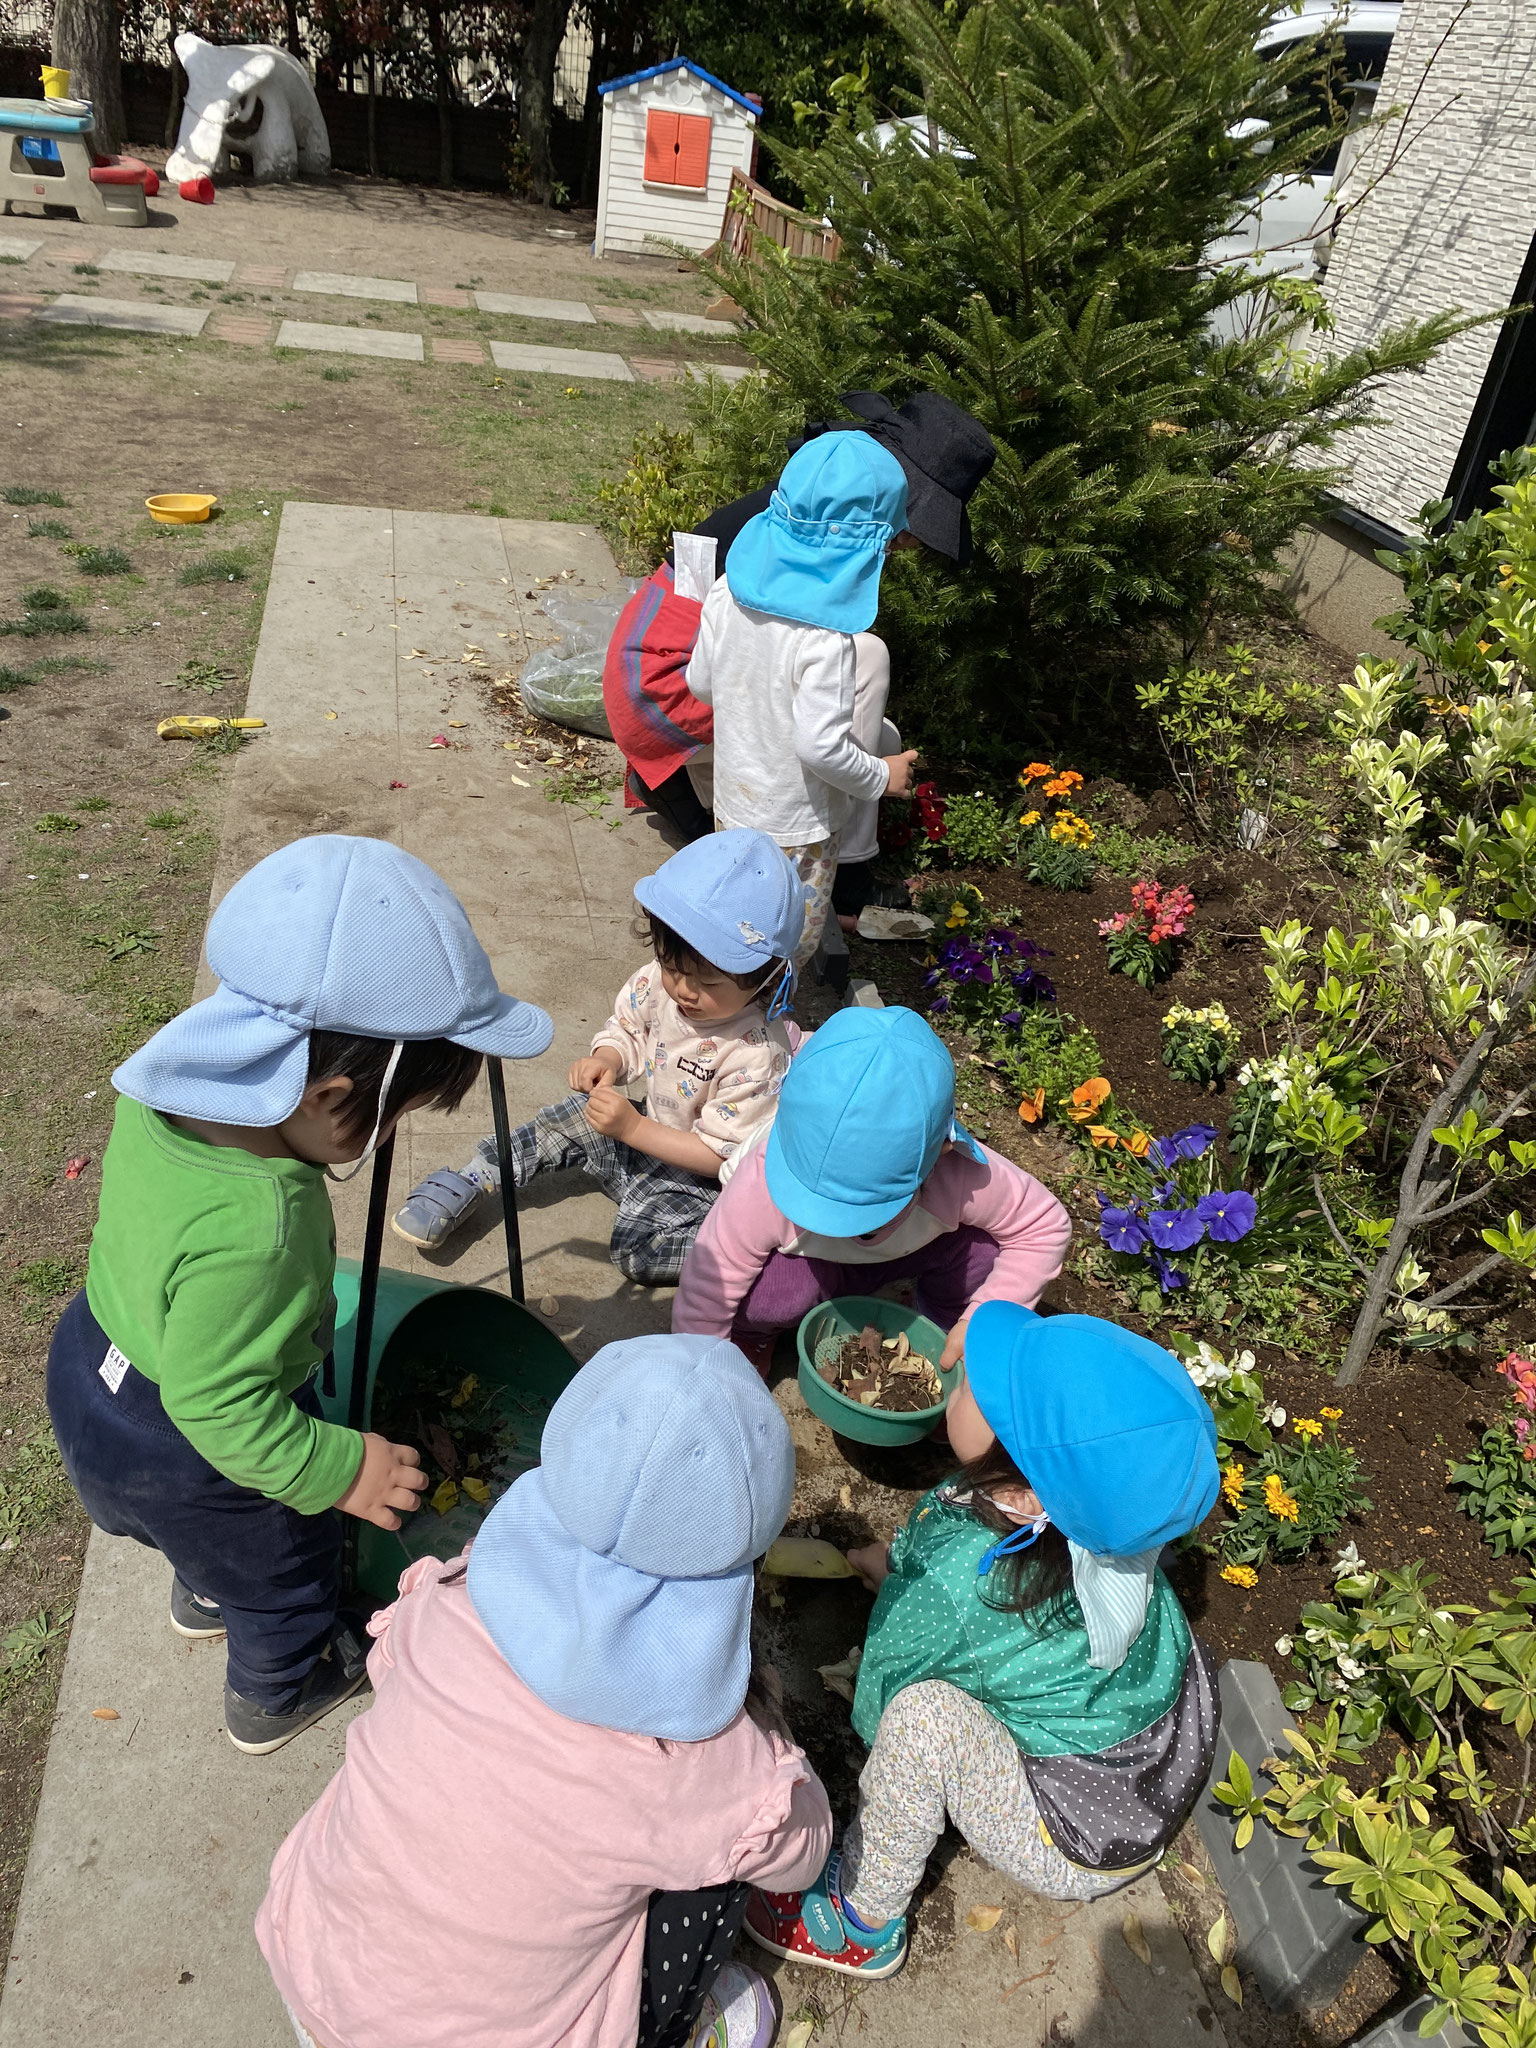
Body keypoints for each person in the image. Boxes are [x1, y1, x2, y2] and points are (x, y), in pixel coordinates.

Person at [46, 834, 553, 1755]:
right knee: (285, 1567)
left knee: (209, 1545)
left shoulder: (166, 1088)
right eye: (393, 1113)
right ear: (326, 1093)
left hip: (95, 1366)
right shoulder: (262, 1227)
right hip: (183, 1440)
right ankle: (276, 1690)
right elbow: (215, 1402)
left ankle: (204, 1586)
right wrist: (342, 1471)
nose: (393, 1132)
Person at [256, 1333, 833, 2048]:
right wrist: (769, 1731)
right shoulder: (701, 1763)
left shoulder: (445, 1599)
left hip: (313, 1966)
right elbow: (801, 1853)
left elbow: (389, 1671)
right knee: (719, 1872)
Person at [745, 1302, 1221, 1979]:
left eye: (981, 1389)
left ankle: (864, 1918)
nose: (963, 1372)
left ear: (1026, 1496)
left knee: (921, 1720)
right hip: (1147, 1771)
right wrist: (902, 1567)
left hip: (1077, 1829)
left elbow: (886, 1693)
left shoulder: (964, 1586)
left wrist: (907, 1618)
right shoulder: (1103, 1525)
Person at [604, 391, 997, 910]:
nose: (914, 542)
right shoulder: (824, 604)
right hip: (660, 693)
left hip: (651, 673)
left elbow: (728, 650)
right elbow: (814, 735)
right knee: (868, 663)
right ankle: (847, 886)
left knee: (881, 734)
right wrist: (876, 778)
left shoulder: (804, 505)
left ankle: (694, 790)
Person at [392, 830, 804, 1283]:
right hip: (648, 1128)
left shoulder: (757, 1055)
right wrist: (607, 1059)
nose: (684, 990)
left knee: (639, 1253)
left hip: (693, 1178)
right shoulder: (660, 982)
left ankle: (740, 1245)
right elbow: (630, 1028)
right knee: (567, 1118)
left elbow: (718, 1155)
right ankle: (480, 1172)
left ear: (768, 979)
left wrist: (633, 1128)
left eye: (707, 984)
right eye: (673, 968)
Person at [671, 1006, 1071, 1368]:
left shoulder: (958, 1170)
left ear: (943, 1151)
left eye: (865, 1208)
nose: (837, 1222)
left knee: (982, 1253)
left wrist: (981, 1319)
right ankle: (755, 1336)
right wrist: (704, 1368)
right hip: (809, 1264)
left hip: (910, 1253)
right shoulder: (759, 1180)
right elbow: (709, 1287)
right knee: (766, 1298)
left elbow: (1043, 1227)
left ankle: (940, 1337)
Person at [685, 434, 920, 970]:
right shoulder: (826, 638)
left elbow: (701, 683)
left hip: (736, 807)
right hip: (800, 833)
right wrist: (884, 776)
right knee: (786, 948)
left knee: (737, 928)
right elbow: (822, 749)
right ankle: (763, 1035)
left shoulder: (727, 591)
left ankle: (723, 1017)